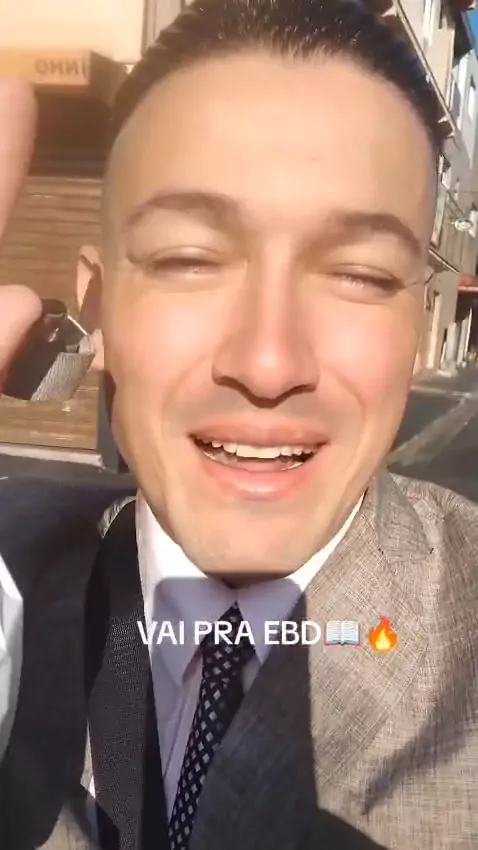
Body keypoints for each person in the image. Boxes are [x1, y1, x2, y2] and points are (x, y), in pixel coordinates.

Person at [0, 1, 477, 848]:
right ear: (96, 305)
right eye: (188, 260)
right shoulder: (13, 578)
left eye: (362, 275)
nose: (267, 362)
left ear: (416, 326)